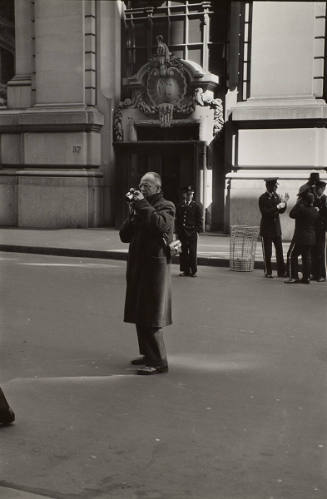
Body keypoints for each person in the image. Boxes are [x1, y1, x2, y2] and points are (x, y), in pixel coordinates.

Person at [119, 172, 175, 375]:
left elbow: (161, 224)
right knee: (139, 311)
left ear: (158, 189)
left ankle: (159, 361)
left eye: (147, 186)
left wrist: (141, 205)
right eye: (140, 186)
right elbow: (124, 236)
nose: (142, 189)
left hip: (154, 269)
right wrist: (132, 214)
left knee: (151, 315)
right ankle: (147, 354)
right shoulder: (139, 208)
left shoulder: (166, 206)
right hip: (138, 266)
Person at [285, 191, 320, 284]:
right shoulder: (314, 210)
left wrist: (298, 203)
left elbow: (291, 214)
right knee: (306, 257)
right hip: (311, 238)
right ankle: (306, 278)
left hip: (300, 237)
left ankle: (294, 277)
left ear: (303, 200)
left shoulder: (301, 208)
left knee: (292, 255)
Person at [258, 178, 289, 278]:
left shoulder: (276, 196)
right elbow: (265, 213)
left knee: (279, 252)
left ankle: (281, 272)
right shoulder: (262, 198)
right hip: (267, 229)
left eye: (276, 186)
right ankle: (268, 271)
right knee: (268, 252)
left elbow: (281, 211)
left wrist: (284, 203)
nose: (276, 187)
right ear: (268, 186)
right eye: (274, 186)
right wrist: (277, 207)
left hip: (276, 229)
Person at [175, 186, 203, 277]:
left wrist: (197, 231)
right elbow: (178, 220)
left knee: (192, 252)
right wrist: (177, 233)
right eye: (188, 194)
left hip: (192, 232)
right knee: (183, 252)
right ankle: (185, 270)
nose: (189, 196)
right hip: (183, 232)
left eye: (191, 194)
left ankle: (193, 271)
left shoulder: (196, 206)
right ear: (184, 195)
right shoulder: (180, 205)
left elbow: (199, 220)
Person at [311, 180, 327, 282]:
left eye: (318, 189)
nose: (316, 190)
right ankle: (315, 273)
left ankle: (322, 275)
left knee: (321, 252)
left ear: (323, 189)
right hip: (314, 229)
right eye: (316, 189)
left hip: (322, 229)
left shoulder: (325, 200)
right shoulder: (314, 199)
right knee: (313, 251)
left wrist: (319, 211)